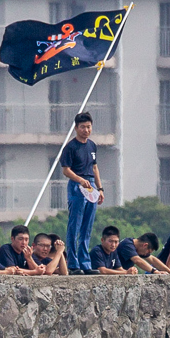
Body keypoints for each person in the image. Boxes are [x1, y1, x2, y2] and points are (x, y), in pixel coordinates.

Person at [61, 112, 103, 273]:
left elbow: (94, 167)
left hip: (91, 186)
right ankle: (73, 264)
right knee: (75, 225)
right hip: (77, 186)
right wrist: (79, 180)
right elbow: (66, 170)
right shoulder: (70, 147)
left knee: (87, 226)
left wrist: (100, 188)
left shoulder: (92, 145)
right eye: (83, 127)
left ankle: (85, 263)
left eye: (88, 127)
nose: (86, 130)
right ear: (76, 128)